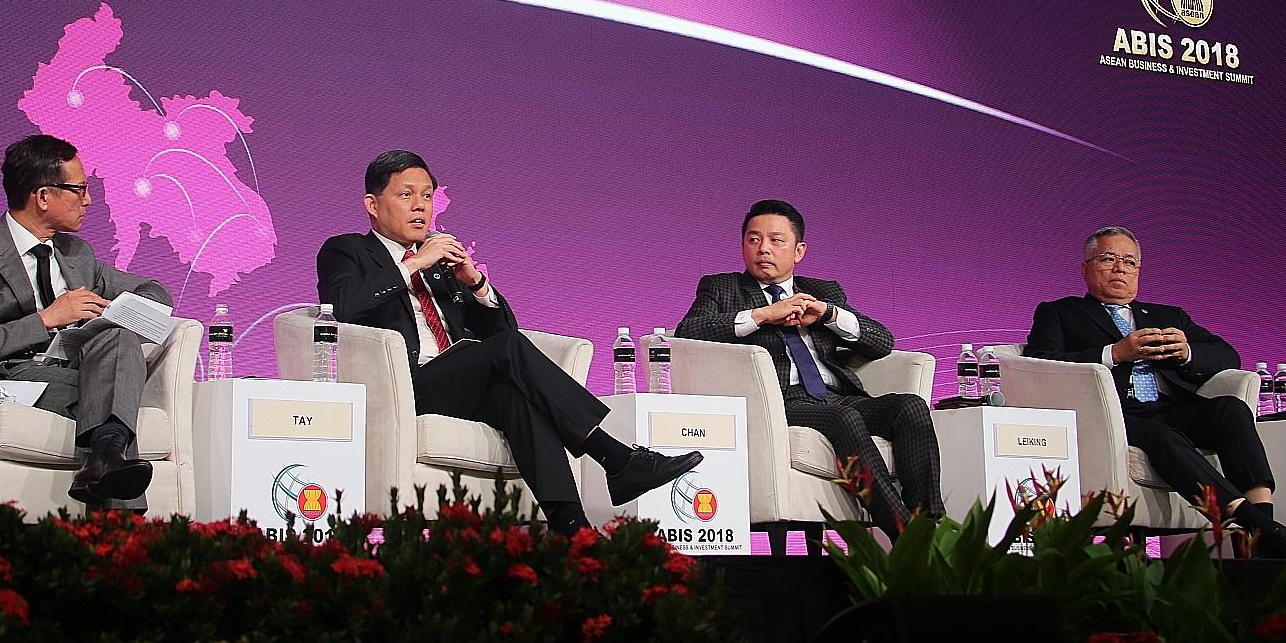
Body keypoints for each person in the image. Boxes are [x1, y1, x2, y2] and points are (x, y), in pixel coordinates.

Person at [316, 150, 702, 536]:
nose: (421, 206)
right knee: (510, 352)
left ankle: (574, 531)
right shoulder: (347, 250)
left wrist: (475, 283)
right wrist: (412, 264)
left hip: (457, 383)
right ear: (372, 204)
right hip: (401, 387)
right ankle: (616, 457)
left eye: (428, 196)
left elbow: (502, 333)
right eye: (406, 195)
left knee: (516, 400)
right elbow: (344, 305)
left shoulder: (442, 264)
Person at [1026, 225, 1286, 558]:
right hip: (1112, 413)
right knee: (1161, 435)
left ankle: (1264, 529)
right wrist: (1114, 353)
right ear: (1085, 268)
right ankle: (1254, 523)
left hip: (1169, 407)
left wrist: (1186, 351)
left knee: (1231, 408)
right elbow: (1041, 362)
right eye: (1108, 258)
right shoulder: (1060, 312)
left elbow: (1227, 355)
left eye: (1129, 262)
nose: (1120, 267)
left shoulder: (1166, 315)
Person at [0, 134, 172, 507]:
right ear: (43, 196)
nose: (88, 200)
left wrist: (114, 309)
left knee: (118, 339)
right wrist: (45, 319)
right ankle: (119, 526)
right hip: (12, 376)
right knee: (111, 401)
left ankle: (104, 463)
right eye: (79, 189)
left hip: (77, 369)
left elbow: (155, 291)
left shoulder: (77, 254)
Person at [676, 199, 942, 539]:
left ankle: (931, 524)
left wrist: (829, 315)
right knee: (844, 420)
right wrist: (764, 315)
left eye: (776, 240)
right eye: (753, 240)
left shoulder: (822, 291)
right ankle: (903, 533)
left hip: (838, 397)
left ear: (799, 250)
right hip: (782, 403)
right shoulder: (722, 288)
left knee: (910, 406)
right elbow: (689, 333)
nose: (763, 250)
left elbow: (882, 341)